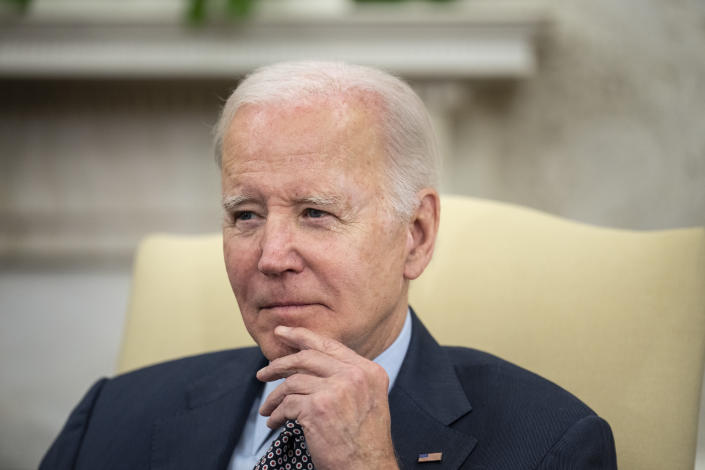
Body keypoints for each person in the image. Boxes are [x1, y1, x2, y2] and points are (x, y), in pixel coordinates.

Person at [40, 61, 617, 470]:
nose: (271, 257)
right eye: (245, 215)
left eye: (316, 212)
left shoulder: (550, 445)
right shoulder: (110, 418)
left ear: (415, 236)